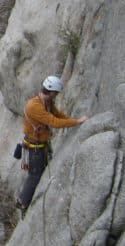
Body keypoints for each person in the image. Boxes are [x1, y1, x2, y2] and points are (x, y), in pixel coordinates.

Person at [18, 75, 88, 209]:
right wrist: (77, 122)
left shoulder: (47, 102)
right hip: (34, 148)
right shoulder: (34, 106)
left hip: (41, 145)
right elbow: (54, 122)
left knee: (41, 171)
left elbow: (58, 115)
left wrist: (73, 120)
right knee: (35, 175)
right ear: (51, 91)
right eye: (56, 93)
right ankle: (22, 202)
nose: (56, 95)